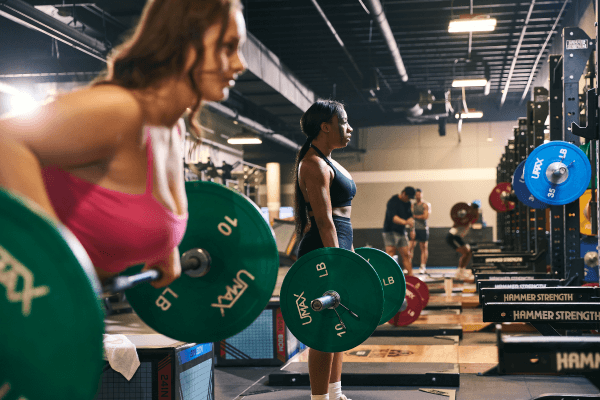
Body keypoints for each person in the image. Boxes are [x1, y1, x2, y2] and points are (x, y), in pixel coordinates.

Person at [0, 0, 247, 287]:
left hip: (67, 316)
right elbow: (5, 138)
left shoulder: (172, 129)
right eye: (228, 47)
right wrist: (53, 256)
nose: (241, 64)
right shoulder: (123, 111)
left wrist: (165, 246)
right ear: (185, 42)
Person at [293, 99, 355, 400]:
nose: (350, 128)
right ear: (325, 127)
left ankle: (335, 392)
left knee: (340, 324)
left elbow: (341, 222)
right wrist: (337, 262)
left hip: (338, 244)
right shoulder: (312, 163)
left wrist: (350, 254)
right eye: (344, 122)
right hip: (323, 249)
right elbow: (324, 220)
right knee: (323, 330)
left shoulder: (328, 161)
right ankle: (319, 399)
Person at [382, 187, 416, 276]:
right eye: (408, 197)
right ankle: (388, 276)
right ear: (404, 193)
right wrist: (406, 222)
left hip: (401, 232)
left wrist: (412, 229)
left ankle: (411, 277)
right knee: (391, 254)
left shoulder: (408, 203)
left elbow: (410, 217)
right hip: (390, 231)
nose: (409, 199)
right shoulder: (393, 201)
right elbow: (394, 218)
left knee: (406, 255)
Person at [446, 203, 479, 281]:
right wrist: (462, 220)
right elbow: (456, 223)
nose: (476, 212)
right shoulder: (464, 216)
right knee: (466, 252)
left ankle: (462, 270)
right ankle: (459, 272)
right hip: (453, 236)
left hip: (457, 237)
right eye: (475, 210)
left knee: (469, 252)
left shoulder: (471, 217)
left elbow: (475, 219)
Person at [408, 189, 430, 274]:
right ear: (415, 196)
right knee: (410, 247)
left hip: (423, 229)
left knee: (423, 248)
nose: (418, 196)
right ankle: (408, 266)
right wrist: (411, 229)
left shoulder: (425, 205)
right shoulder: (412, 205)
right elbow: (409, 218)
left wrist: (414, 216)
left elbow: (425, 216)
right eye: (417, 194)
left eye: (419, 194)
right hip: (414, 229)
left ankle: (423, 267)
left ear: (422, 195)